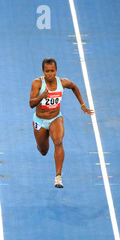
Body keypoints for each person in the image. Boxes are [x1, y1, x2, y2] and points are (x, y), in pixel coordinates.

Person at [29, 58, 94, 188]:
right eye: (47, 71)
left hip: (55, 118)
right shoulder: (37, 84)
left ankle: (58, 177)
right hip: (40, 121)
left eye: (52, 71)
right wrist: (41, 97)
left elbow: (74, 87)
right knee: (43, 151)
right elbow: (31, 104)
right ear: (43, 71)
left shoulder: (62, 82)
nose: (50, 74)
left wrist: (82, 105)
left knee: (58, 141)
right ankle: (41, 142)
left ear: (56, 70)